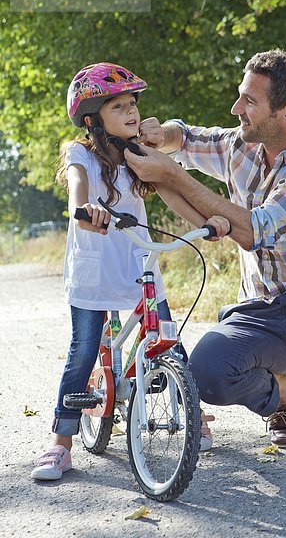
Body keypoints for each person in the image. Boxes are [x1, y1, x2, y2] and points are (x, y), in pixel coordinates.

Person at [123, 49, 286, 482]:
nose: (235, 108)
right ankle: (283, 395)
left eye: (248, 101)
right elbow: (185, 138)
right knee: (205, 372)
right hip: (261, 316)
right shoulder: (241, 147)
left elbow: (256, 228)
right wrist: (159, 135)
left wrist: (172, 175)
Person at [31, 62, 228, 481]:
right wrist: (86, 212)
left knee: (168, 336)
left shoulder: (139, 156)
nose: (131, 112)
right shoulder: (80, 153)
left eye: (133, 104)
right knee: (83, 351)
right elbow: (77, 189)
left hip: (139, 265)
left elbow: (173, 194)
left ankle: (187, 410)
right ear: (92, 119)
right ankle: (61, 442)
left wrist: (207, 221)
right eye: (118, 106)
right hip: (95, 270)